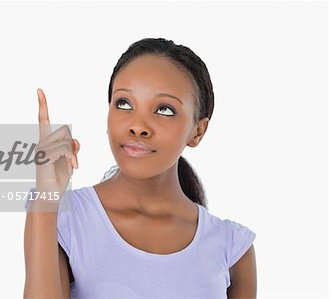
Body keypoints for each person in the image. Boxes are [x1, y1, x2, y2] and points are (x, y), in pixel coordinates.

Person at [23, 38, 257, 298]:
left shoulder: (232, 247)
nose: (138, 125)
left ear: (197, 131)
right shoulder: (60, 216)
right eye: (124, 104)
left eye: (164, 110)